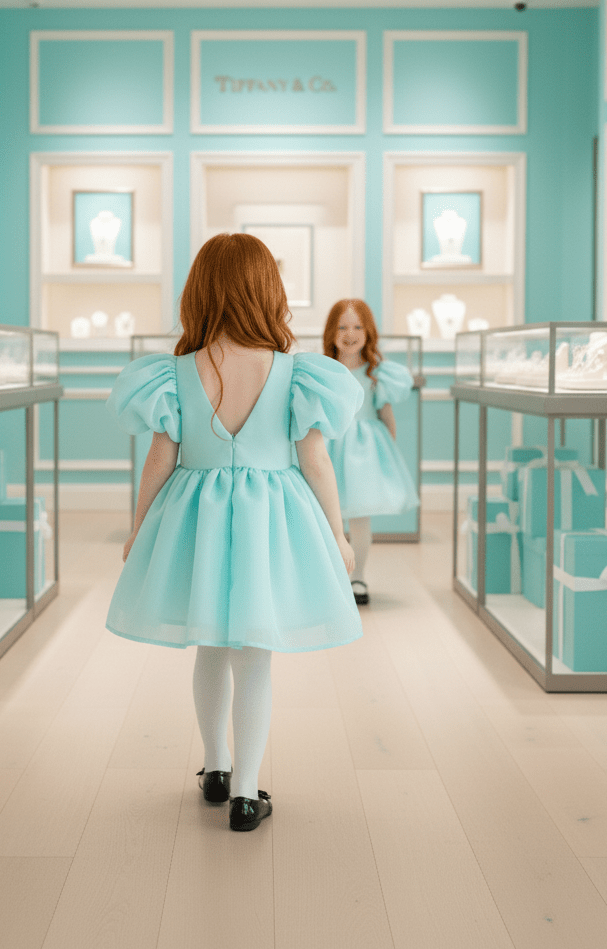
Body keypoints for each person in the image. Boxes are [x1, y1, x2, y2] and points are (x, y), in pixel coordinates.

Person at [105, 233, 364, 832]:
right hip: (269, 521)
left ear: (200, 292)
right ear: (266, 291)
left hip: (196, 519)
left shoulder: (175, 373)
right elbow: (316, 462)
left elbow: (160, 459)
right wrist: (337, 534)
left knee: (210, 647)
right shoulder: (295, 373)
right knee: (255, 659)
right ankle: (247, 794)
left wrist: (140, 527)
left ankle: (215, 768)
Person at [322, 299, 419, 605]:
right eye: (342, 327)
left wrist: (387, 458)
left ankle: (358, 576)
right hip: (328, 449)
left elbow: (386, 417)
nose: (349, 334)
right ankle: (332, 578)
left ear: (368, 332)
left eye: (357, 327)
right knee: (328, 517)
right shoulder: (323, 371)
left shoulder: (377, 373)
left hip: (363, 455)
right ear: (331, 331)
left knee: (360, 518)